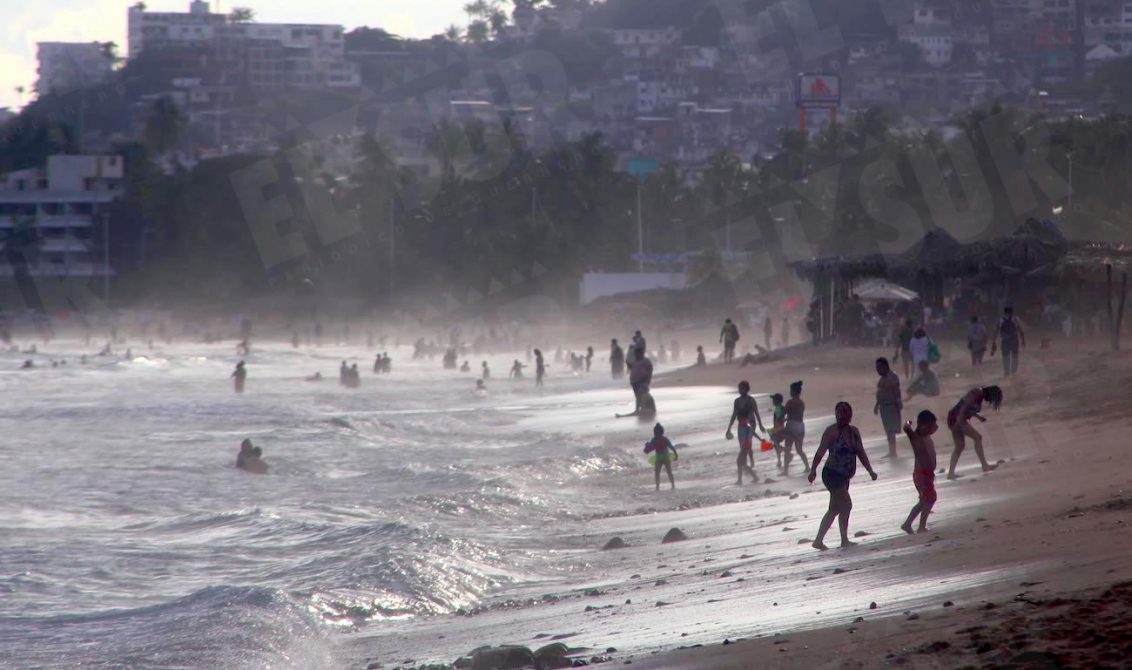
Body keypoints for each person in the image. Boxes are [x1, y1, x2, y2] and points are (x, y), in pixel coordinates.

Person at [807, 402, 878, 550]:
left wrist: (870, 471)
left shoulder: (854, 432)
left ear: (850, 415)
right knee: (847, 504)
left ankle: (818, 541)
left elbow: (861, 453)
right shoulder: (831, 432)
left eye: (845, 412)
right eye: (839, 412)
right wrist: (813, 470)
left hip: (845, 477)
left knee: (835, 509)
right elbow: (820, 452)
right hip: (831, 474)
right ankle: (844, 540)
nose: (842, 415)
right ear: (835, 414)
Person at [946, 386, 1004, 480]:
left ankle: (950, 473)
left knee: (960, 446)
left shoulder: (979, 396)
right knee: (977, 438)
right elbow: (965, 405)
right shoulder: (977, 392)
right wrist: (960, 420)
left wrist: (978, 417)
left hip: (954, 418)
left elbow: (968, 408)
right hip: (957, 418)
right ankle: (984, 466)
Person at [901, 410, 939, 535]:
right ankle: (919, 525)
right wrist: (909, 422)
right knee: (928, 498)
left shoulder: (926, 435)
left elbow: (935, 427)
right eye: (929, 426)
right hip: (921, 474)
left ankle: (909, 524)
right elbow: (906, 427)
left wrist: (931, 426)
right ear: (922, 425)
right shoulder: (916, 437)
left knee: (926, 499)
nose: (932, 429)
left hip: (927, 474)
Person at [725, 381, 765, 485]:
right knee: (742, 455)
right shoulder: (737, 401)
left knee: (741, 457)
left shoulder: (751, 400)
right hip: (741, 428)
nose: (739, 390)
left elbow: (756, 413)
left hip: (749, 428)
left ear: (746, 389)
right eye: (739, 388)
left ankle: (741, 480)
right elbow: (734, 415)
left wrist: (760, 425)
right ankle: (750, 477)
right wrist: (729, 428)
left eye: (741, 388)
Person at [873, 358, 903, 458]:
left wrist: (899, 402)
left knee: (891, 430)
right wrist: (877, 405)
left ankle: (893, 452)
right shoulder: (882, 379)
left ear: (885, 366)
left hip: (891, 406)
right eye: (876, 368)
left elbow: (897, 391)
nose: (877, 370)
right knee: (888, 430)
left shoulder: (892, 377)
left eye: (879, 368)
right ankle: (892, 451)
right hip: (884, 407)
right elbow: (880, 394)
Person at [782, 380, 810, 473]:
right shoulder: (801, 403)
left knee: (787, 448)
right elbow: (796, 415)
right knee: (799, 449)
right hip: (800, 426)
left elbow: (784, 414)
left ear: (793, 391)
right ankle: (807, 466)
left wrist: (780, 421)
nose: (790, 392)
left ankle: (786, 470)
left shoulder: (790, 402)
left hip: (791, 427)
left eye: (790, 390)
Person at [990, 307, 1026, 377]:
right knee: (1015, 356)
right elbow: (1021, 330)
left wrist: (993, 342)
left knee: (1005, 356)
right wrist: (1023, 340)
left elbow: (995, 332)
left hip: (1005, 340)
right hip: (1014, 339)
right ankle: (1014, 371)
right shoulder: (1015, 319)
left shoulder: (1000, 320)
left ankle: (1006, 371)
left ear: (1004, 312)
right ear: (1012, 312)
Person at [644, 423, 677, 491]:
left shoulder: (659, 439)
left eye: (656, 432)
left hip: (662, 458)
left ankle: (668, 485)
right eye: (655, 433)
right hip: (662, 458)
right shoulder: (660, 439)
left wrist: (676, 454)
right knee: (662, 472)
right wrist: (646, 449)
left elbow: (671, 447)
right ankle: (661, 486)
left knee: (663, 472)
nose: (656, 434)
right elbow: (650, 447)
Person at [769, 393, 787, 470]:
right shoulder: (779, 408)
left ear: (776, 401)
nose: (772, 402)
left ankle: (784, 451)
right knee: (775, 444)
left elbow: (779, 419)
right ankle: (780, 459)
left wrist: (775, 428)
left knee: (775, 443)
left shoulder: (779, 408)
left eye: (773, 400)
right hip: (780, 428)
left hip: (779, 428)